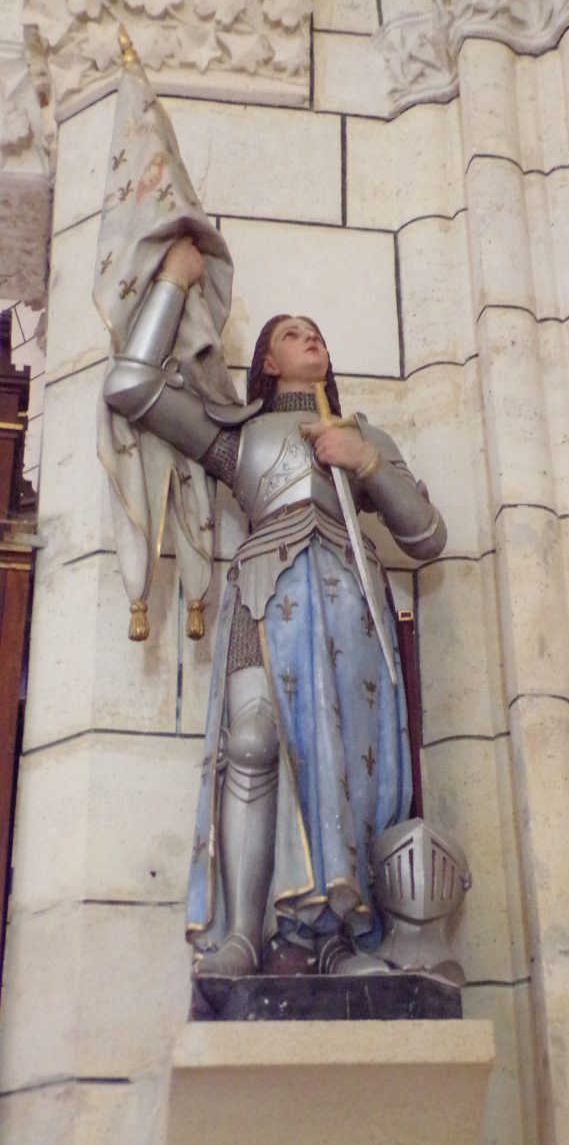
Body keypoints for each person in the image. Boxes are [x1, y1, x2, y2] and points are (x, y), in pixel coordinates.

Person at [104, 237, 447, 978]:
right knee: (253, 740)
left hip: (353, 607)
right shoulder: (240, 433)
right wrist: (174, 281)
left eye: (316, 331)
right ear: (267, 359)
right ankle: (242, 936)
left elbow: (426, 537)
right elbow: (130, 386)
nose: (310, 337)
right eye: (292, 332)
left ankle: (336, 941)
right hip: (265, 596)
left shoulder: (365, 436)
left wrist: (365, 464)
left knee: (346, 762)